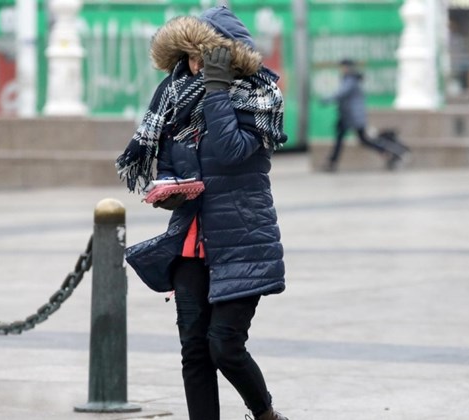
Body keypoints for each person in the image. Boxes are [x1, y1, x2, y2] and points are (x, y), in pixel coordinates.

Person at [115, 6, 289, 420]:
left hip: (242, 239)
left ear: (227, 58)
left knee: (224, 345)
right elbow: (170, 161)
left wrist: (216, 89)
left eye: (206, 57)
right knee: (194, 350)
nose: (195, 65)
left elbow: (230, 152)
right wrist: (169, 188)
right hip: (190, 241)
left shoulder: (257, 97)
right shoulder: (176, 97)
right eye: (191, 57)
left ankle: (264, 413)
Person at [321, 58, 409, 172]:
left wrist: (327, 99)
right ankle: (332, 162)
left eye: (343, 67)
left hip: (352, 116)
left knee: (360, 140)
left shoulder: (350, 80)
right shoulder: (351, 79)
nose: (341, 69)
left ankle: (389, 153)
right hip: (349, 116)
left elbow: (341, 93)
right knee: (350, 139)